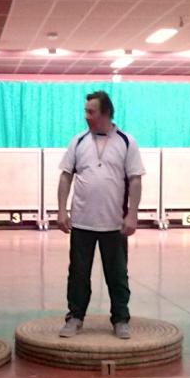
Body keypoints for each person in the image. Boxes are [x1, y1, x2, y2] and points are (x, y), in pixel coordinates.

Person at [57, 91, 145, 339]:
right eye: (85, 111)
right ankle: (75, 317)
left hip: (114, 224)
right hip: (81, 222)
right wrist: (62, 210)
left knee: (117, 275)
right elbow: (66, 176)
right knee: (78, 274)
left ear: (106, 113)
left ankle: (120, 319)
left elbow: (135, 180)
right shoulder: (78, 141)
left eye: (91, 111)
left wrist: (133, 215)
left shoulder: (127, 141)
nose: (86, 116)